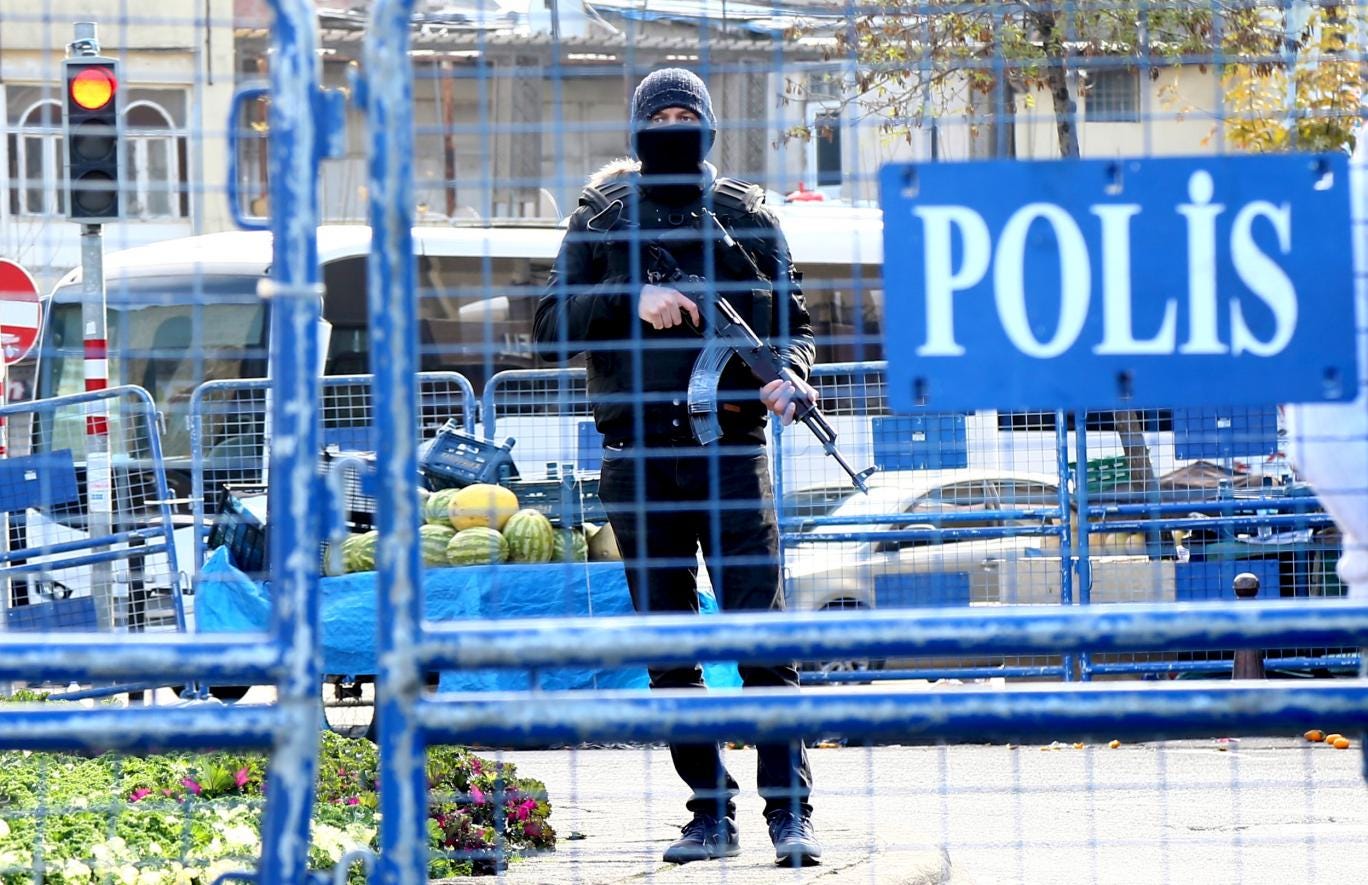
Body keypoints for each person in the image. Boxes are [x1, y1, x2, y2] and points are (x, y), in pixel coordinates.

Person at [533, 68, 823, 867]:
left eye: (683, 113)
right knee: (670, 653)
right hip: (639, 461)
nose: (671, 124)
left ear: (708, 127)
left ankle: (789, 815)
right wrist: (634, 297)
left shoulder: (746, 216)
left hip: (729, 454)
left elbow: (794, 323)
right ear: (636, 127)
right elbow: (549, 325)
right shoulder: (602, 217)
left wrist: (788, 375)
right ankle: (709, 813)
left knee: (762, 643)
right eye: (657, 113)